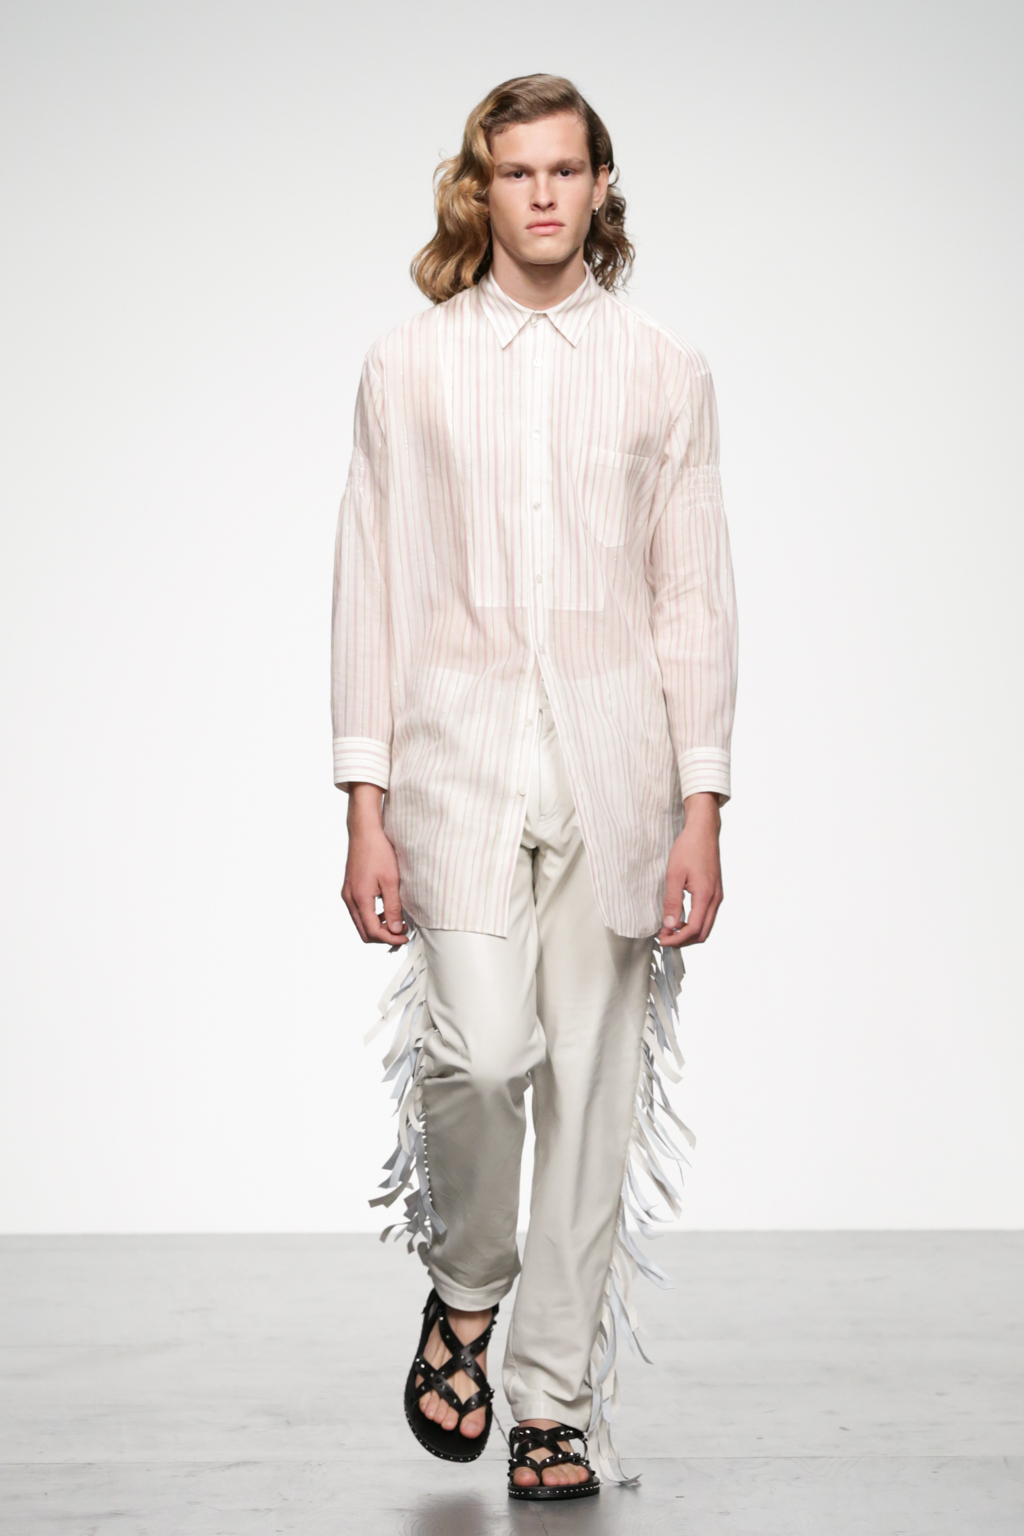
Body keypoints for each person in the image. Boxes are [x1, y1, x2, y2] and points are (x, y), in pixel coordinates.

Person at [331, 73, 737, 1502]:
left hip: (619, 769)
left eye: (568, 170)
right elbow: (371, 585)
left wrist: (704, 804)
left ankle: (551, 1404)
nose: (545, 194)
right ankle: (465, 1288)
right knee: (483, 1053)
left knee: (593, 1096)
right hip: (455, 762)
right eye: (519, 173)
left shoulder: (665, 369)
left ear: (601, 185)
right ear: (482, 189)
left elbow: (693, 592)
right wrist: (362, 801)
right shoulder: (408, 367)